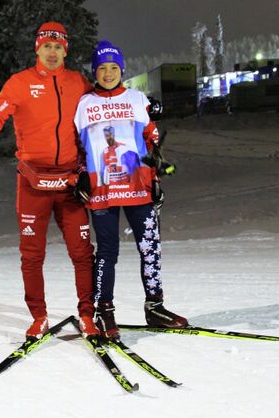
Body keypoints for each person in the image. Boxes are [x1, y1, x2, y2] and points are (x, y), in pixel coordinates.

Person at [0, 22, 99, 339]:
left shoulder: (78, 82)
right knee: (32, 255)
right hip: (32, 182)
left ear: (65, 50)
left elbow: (102, 108)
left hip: (69, 182)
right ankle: (39, 317)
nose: (52, 52)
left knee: (82, 253)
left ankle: (86, 315)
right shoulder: (20, 83)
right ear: (37, 48)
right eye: (47, 46)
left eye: (58, 46)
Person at [73, 40, 188, 338]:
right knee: (107, 252)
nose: (108, 73)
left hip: (138, 184)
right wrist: (81, 174)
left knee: (150, 247)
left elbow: (152, 140)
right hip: (101, 189)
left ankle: (155, 307)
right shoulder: (84, 104)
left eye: (113, 67)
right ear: (94, 71)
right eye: (102, 68)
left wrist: (157, 175)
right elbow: (77, 146)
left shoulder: (138, 99)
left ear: (121, 69)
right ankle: (104, 311)